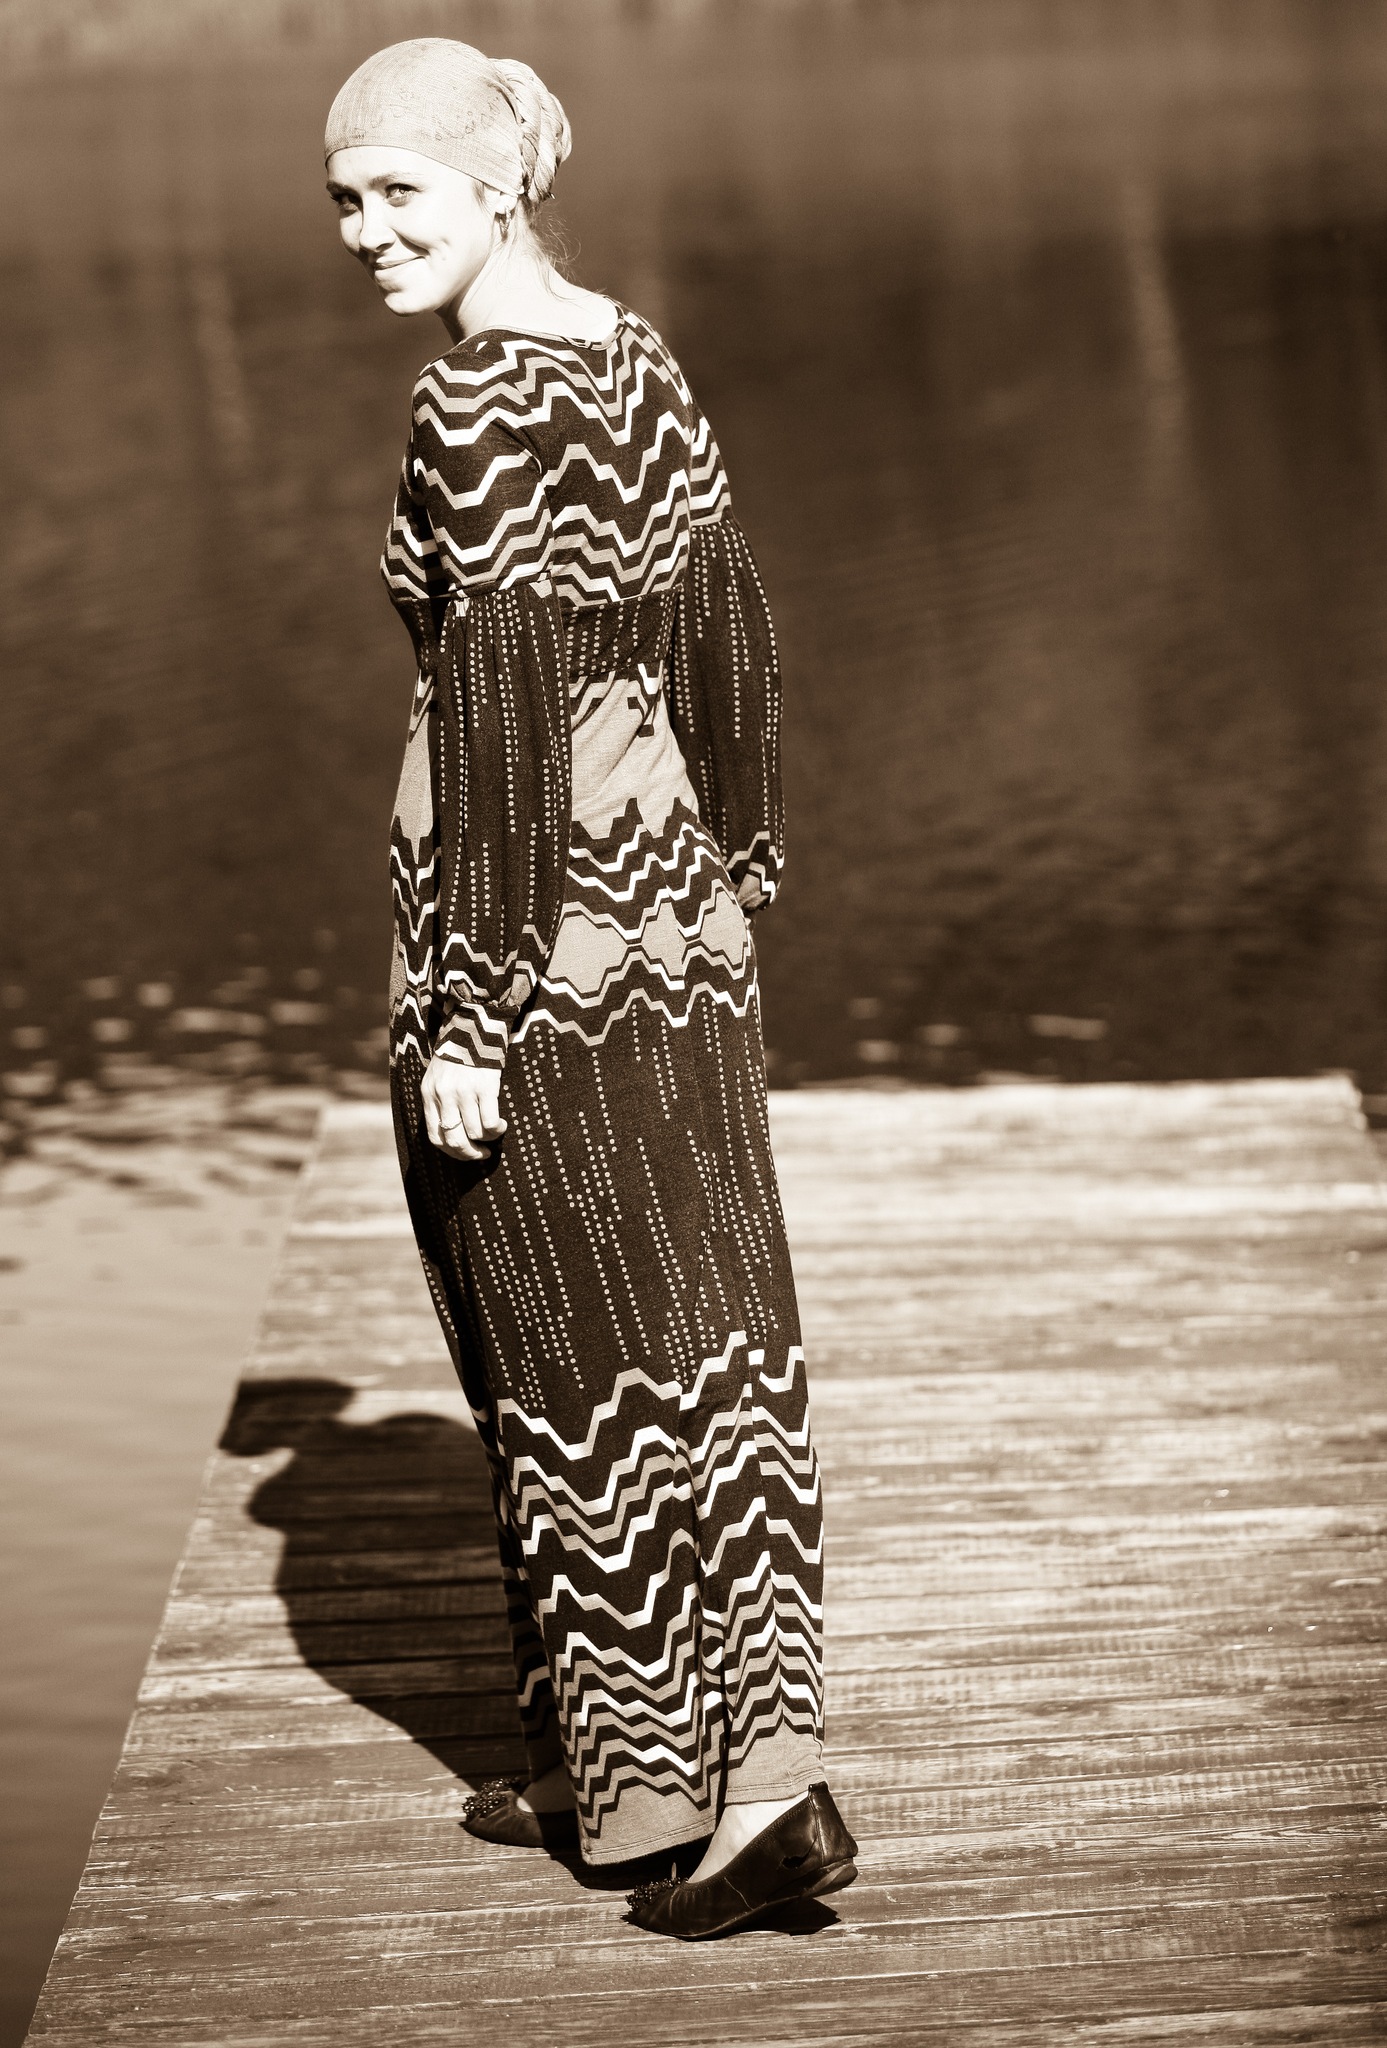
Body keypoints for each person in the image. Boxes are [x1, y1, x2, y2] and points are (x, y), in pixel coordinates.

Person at [323, 38, 856, 1940]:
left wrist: (473, 1009)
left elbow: (495, 708)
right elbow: (726, 614)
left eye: (401, 190)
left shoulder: (474, 397)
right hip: (671, 922)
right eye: (346, 197)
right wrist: (742, 854)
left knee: (564, 1352)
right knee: (702, 1336)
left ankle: (753, 1803)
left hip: (537, 945)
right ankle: (628, 1774)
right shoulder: (630, 351)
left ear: (495, 187)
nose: (367, 230)